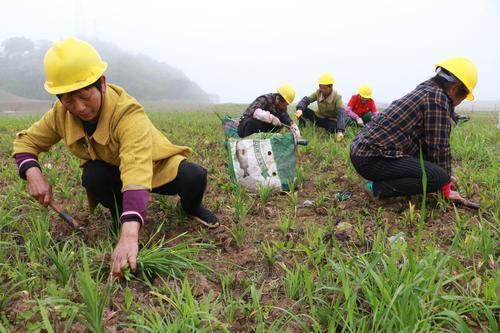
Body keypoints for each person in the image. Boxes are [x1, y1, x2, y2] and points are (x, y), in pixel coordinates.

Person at [12, 37, 219, 278]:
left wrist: (131, 236)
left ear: (101, 82)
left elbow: (136, 168)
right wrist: (33, 173)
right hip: (113, 172)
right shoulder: (61, 113)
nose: (78, 107)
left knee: (194, 176)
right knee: (93, 175)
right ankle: (119, 213)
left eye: (84, 94)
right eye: (68, 98)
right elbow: (26, 141)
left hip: (155, 168)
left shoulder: (128, 113)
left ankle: (191, 207)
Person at [350, 57, 478, 205]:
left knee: (437, 173)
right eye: (461, 99)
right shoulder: (438, 98)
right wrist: (445, 183)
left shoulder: (426, 89)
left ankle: (381, 178)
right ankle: (376, 188)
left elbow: (427, 145)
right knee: (437, 178)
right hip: (371, 158)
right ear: (454, 89)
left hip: (363, 152)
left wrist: (446, 176)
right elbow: (439, 147)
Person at [295, 72, 346, 142]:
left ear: (331, 87)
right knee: (302, 110)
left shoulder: (337, 97)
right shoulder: (318, 92)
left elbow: (341, 114)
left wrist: (340, 131)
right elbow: (306, 100)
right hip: (318, 117)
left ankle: (329, 130)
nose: (322, 90)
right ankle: (301, 128)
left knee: (333, 128)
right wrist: (300, 109)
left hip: (330, 121)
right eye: (321, 87)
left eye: (325, 88)